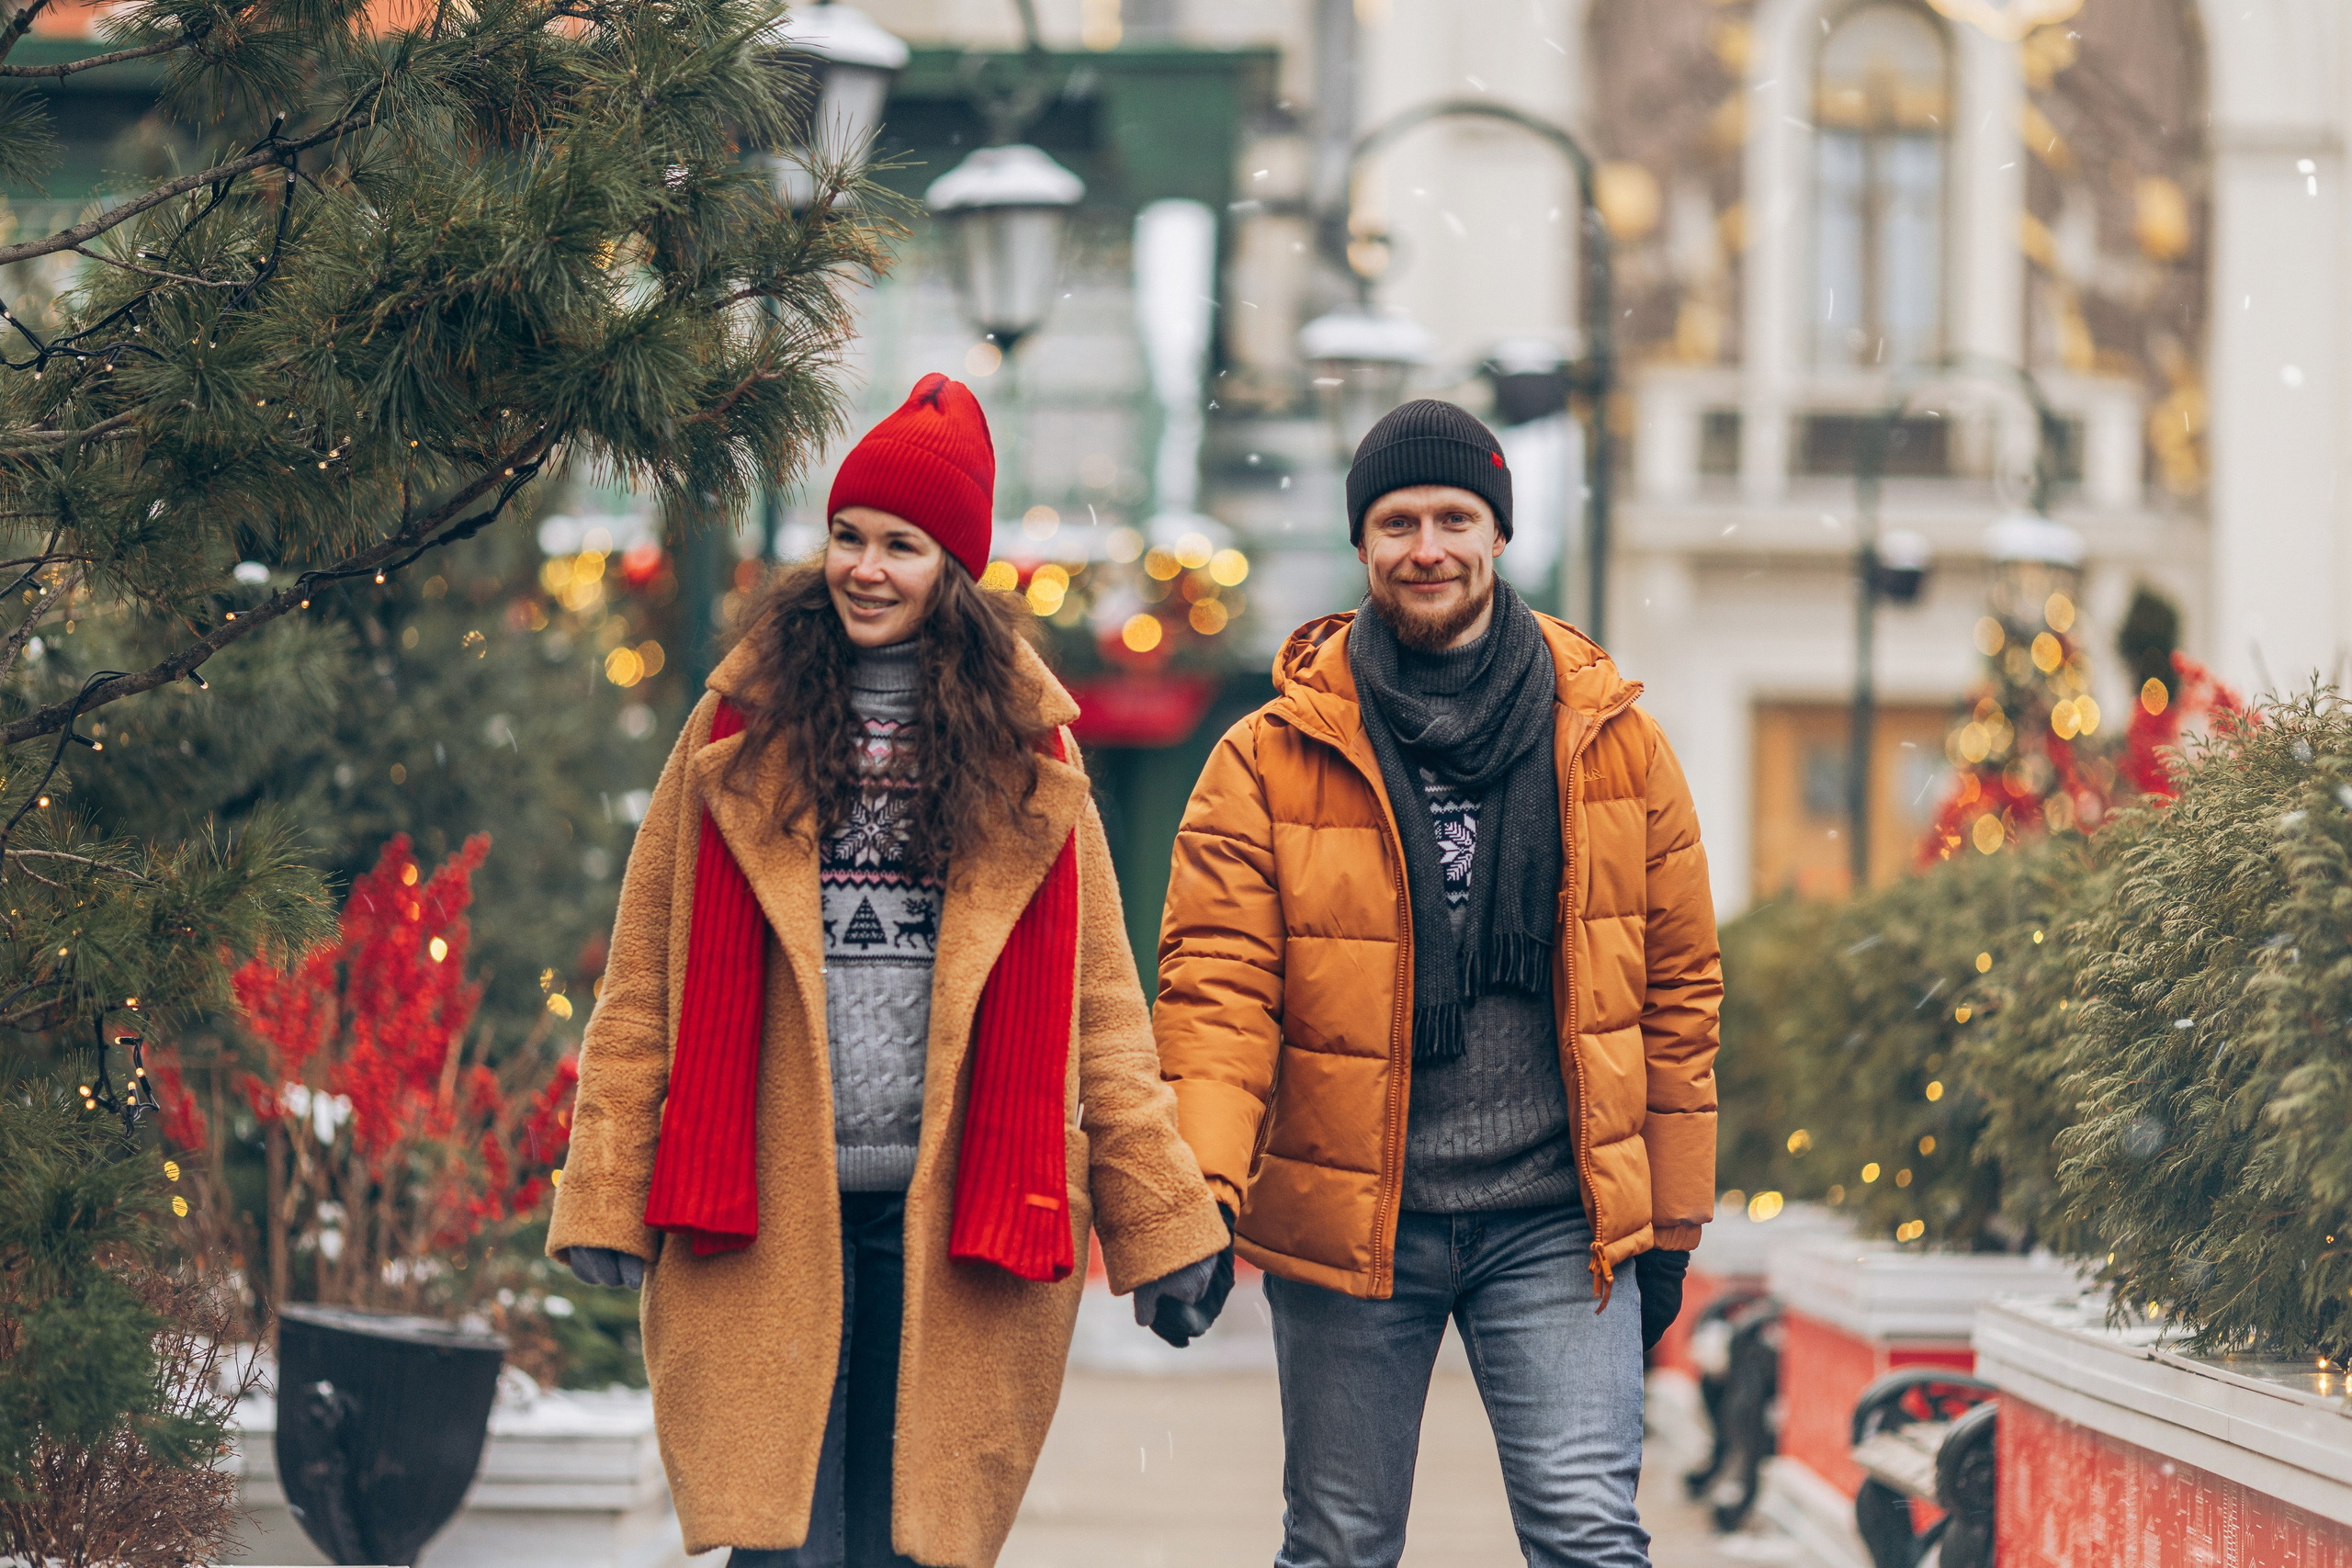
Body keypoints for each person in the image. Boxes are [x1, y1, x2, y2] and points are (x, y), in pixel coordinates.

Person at [548, 373, 1232, 1568]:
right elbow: (644, 984)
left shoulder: (1033, 756)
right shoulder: (732, 733)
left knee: (902, 1549)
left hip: (955, 1215)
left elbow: (1106, 1013)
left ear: (952, 569)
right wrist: (607, 1185)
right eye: (850, 538)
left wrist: (1166, 1224)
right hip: (763, 1205)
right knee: (782, 1545)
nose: (867, 567)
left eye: (902, 545)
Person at [1153, 399, 1722, 1566]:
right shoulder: (1263, 759)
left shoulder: (1613, 740)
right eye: (1397, 521)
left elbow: (1674, 989)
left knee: (1588, 1537)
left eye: (1454, 517)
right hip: (1354, 1214)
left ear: (1497, 534)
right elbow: (1217, 995)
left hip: (1556, 1220)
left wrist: (1669, 1219)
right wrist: (1198, 1200)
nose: (1427, 548)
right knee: (1340, 1546)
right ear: (1361, 546)